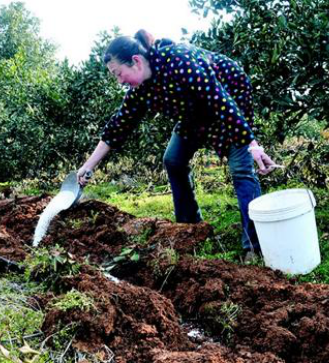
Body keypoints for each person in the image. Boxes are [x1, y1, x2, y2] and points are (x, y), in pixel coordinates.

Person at [77, 29, 277, 261]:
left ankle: (253, 246)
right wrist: (88, 166)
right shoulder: (140, 90)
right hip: (194, 114)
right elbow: (118, 126)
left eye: (118, 73)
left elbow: (220, 100)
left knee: (241, 169)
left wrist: (252, 144)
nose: (119, 81)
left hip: (229, 99)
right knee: (173, 160)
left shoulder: (180, 62)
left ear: (136, 62)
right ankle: (189, 228)